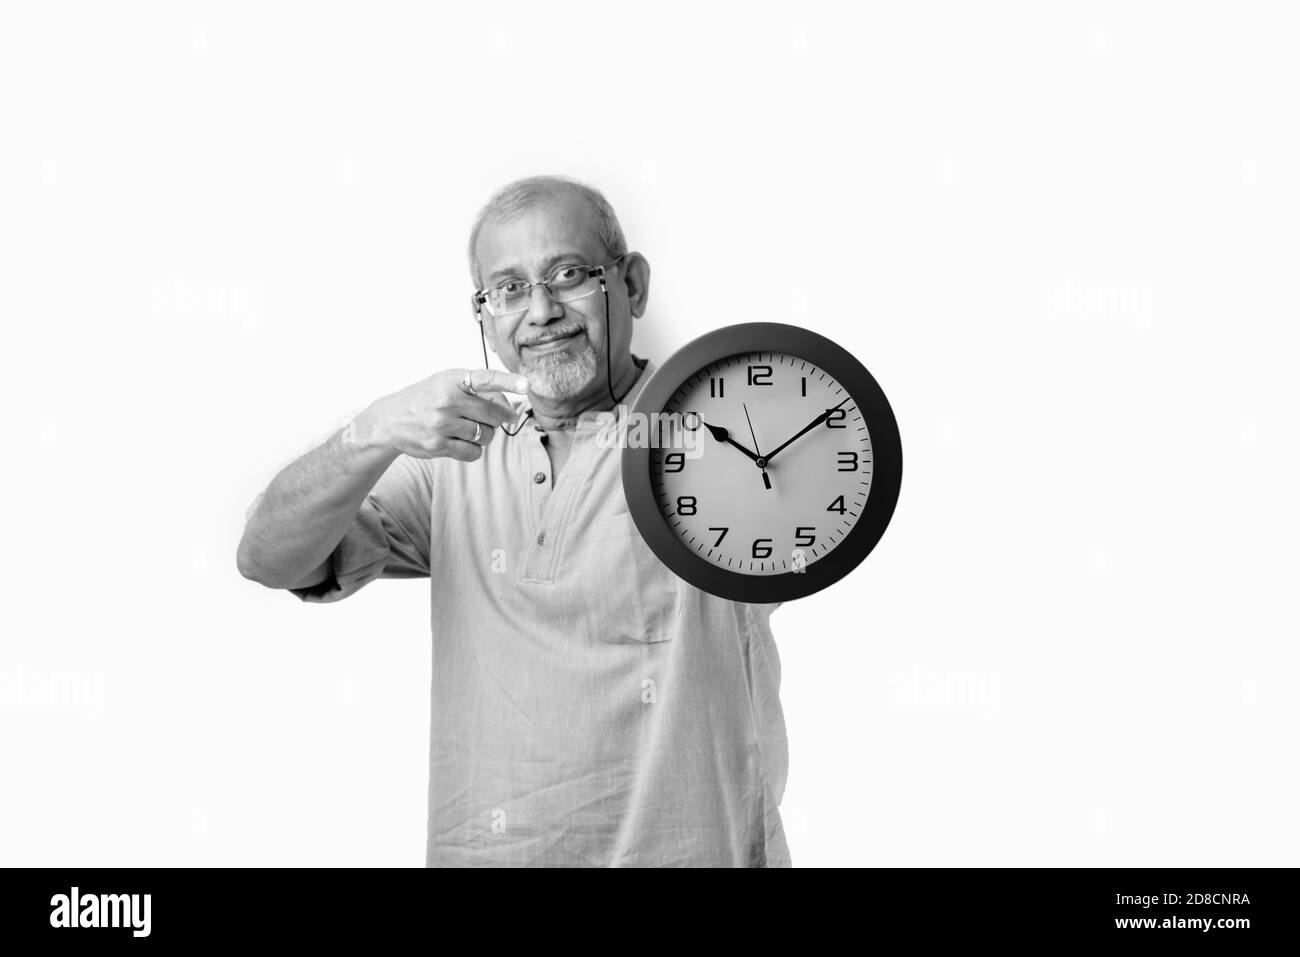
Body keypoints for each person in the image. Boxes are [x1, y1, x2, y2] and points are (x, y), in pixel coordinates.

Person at [237, 175, 790, 867]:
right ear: (486, 315)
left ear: (634, 286)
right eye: (508, 288)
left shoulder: (715, 424)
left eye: (568, 274)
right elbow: (267, 558)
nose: (542, 311)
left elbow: (809, 503)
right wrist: (370, 433)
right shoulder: (454, 452)